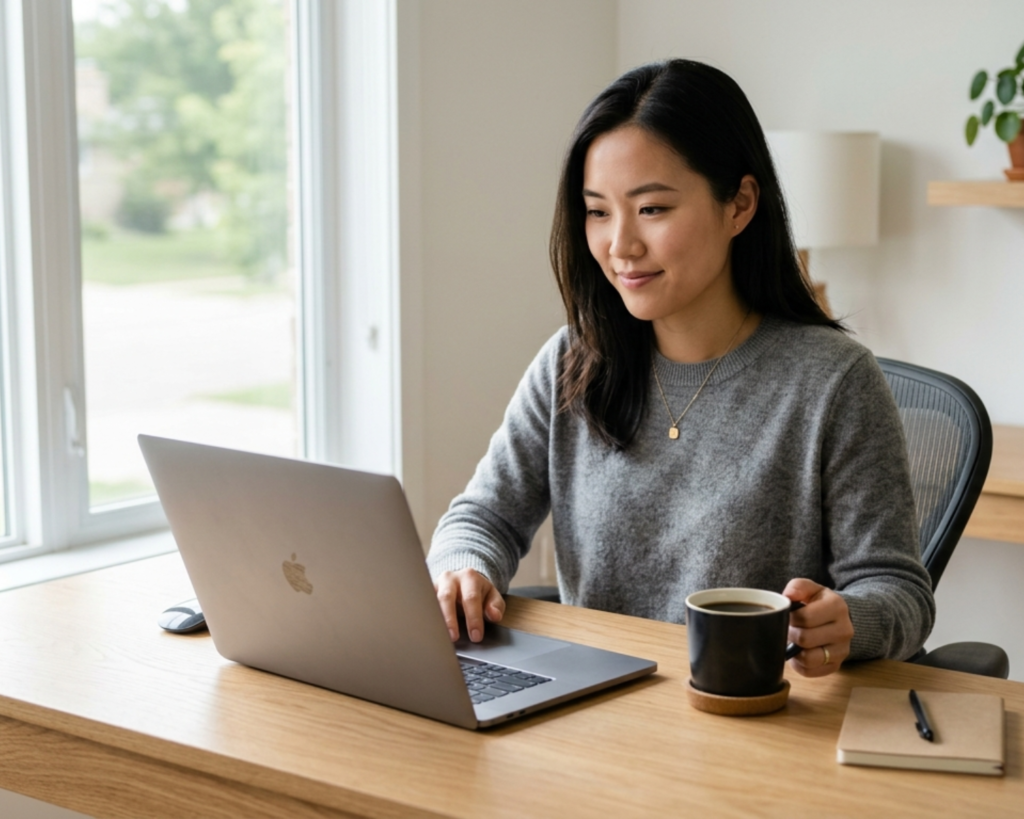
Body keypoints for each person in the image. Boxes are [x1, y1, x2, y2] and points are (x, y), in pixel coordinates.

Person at [427, 59, 934, 678]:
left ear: (740, 204)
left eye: (652, 209)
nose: (620, 246)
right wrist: (464, 566)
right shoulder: (571, 360)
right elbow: (483, 516)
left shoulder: (833, 381)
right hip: (594, 713)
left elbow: (898, 590)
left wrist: (850, 619)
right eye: (598, 212)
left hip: (751, 721)